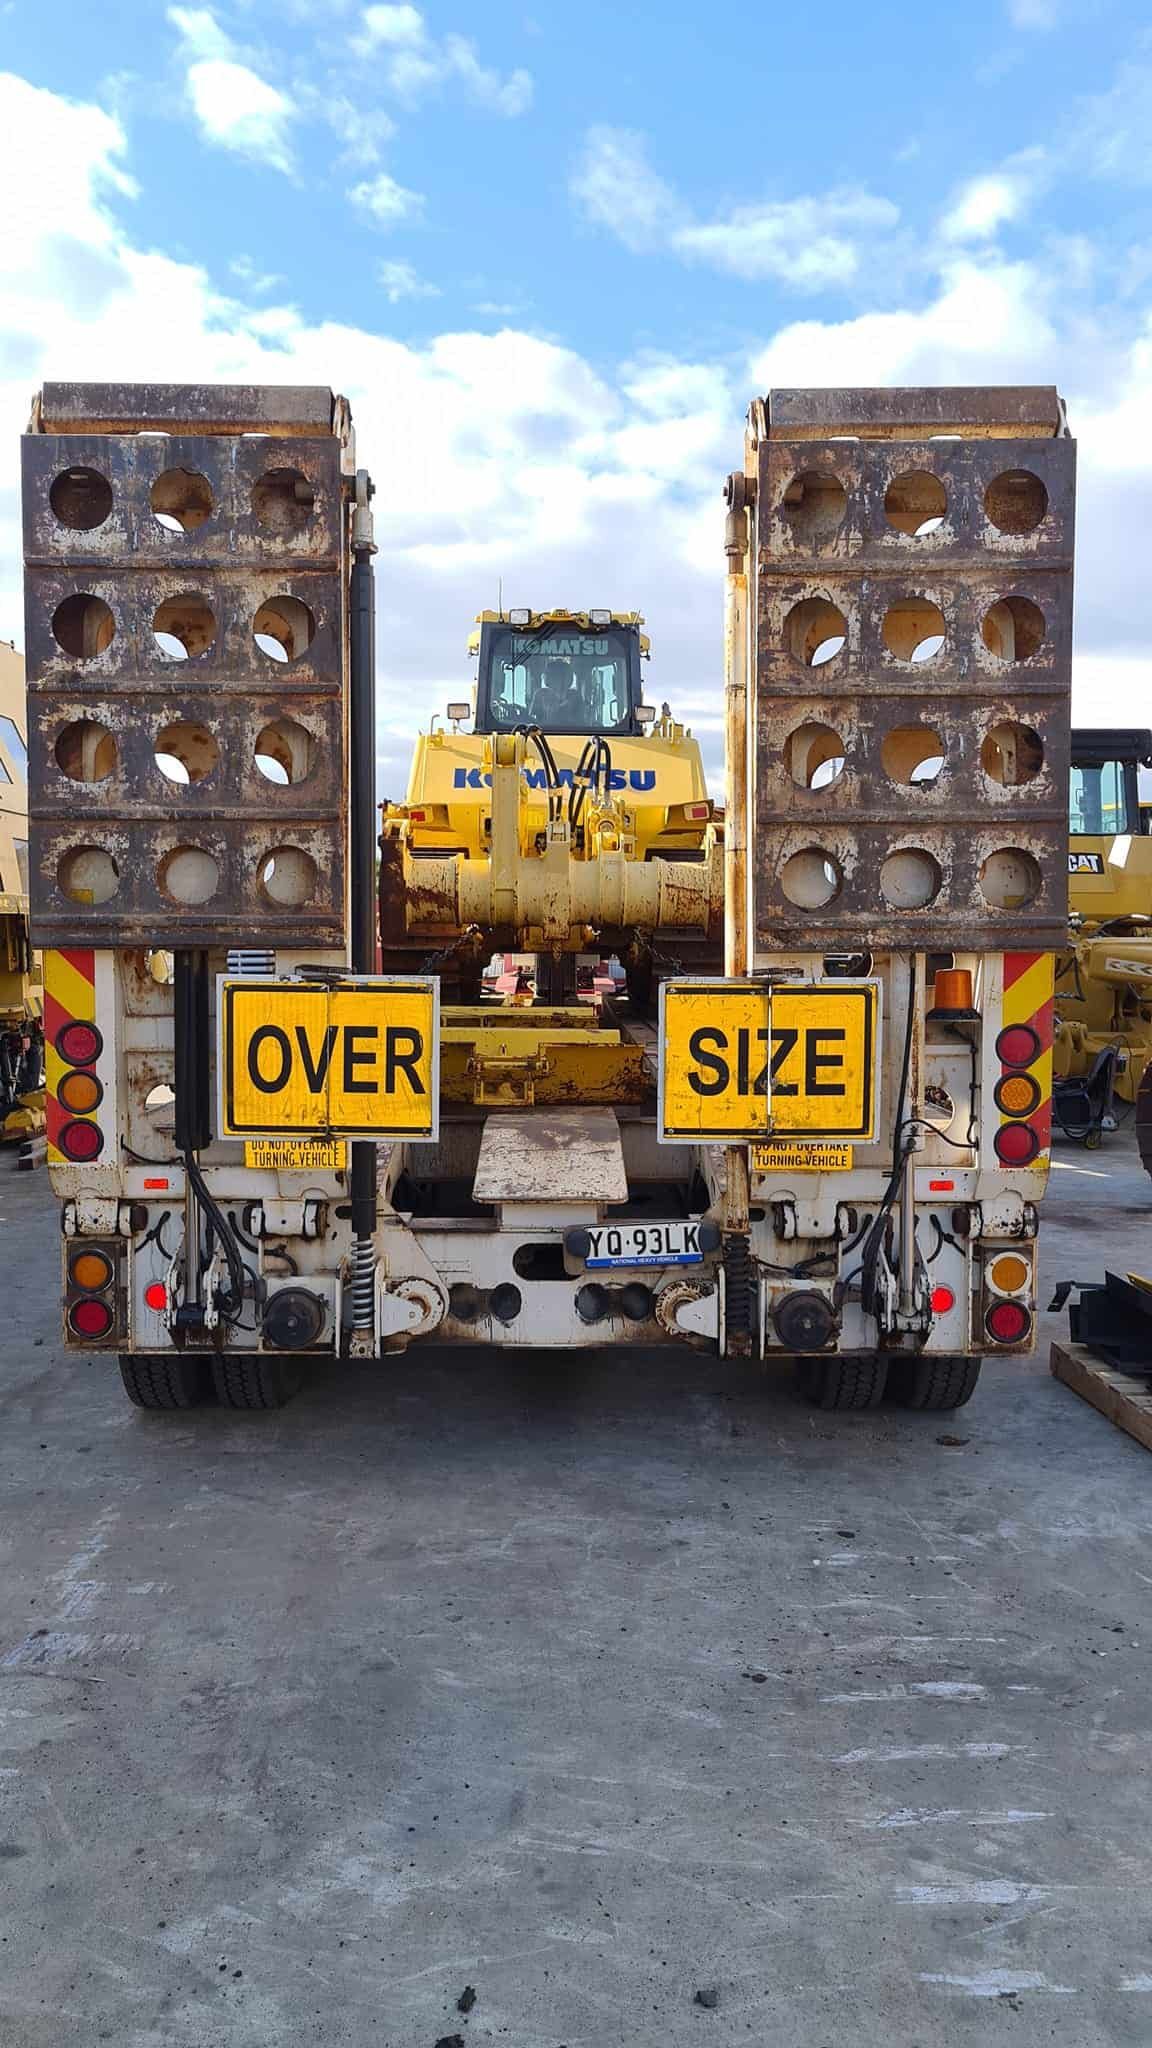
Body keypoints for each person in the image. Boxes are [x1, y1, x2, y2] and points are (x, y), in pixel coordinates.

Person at [531, 654, 578, 726]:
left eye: (563, 675)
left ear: (569, 678)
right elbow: (532, 721)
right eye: (554, 675)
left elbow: (582, 722)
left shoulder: (575, 697)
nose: (559, 680)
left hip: (573, 734)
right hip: (542, 733)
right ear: (548, 678)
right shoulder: (540, 695)